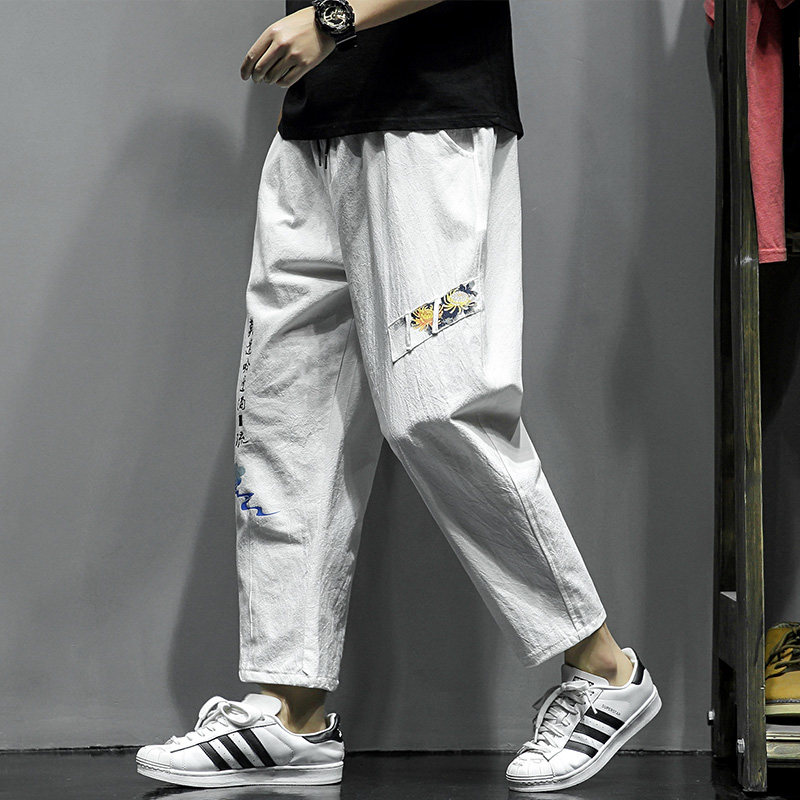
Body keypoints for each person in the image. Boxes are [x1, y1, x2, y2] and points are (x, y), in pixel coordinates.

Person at [136, 0, 661, 792]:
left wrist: (333, 19)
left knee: (437, 409)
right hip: (316, 126)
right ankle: (291, 713)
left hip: (428, 121)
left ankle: (605, 670)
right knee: (287, 421)